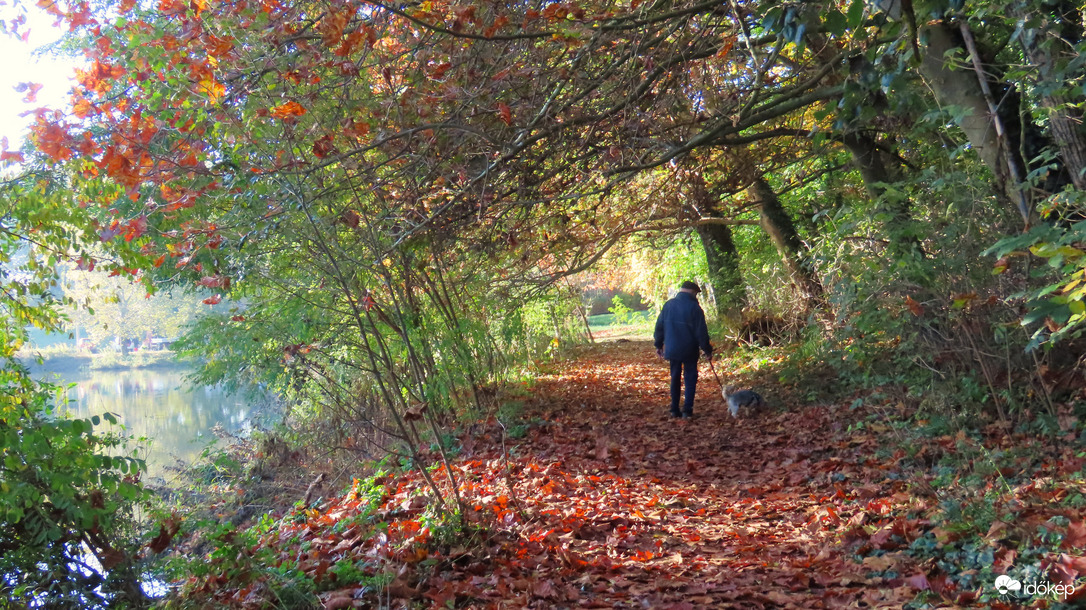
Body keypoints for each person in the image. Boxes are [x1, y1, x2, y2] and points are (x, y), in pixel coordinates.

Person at [653, 281, 713, 419]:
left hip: (672, 349)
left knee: (675, 377)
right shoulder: (695, 308)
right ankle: (687, 410)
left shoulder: (668, 305)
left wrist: (658, 344)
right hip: (689, 350)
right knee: (690, 378)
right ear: (692, 292)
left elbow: (659, 327)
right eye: (696, 294)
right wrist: (707, 350)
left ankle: (674, 409)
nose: (696, 297)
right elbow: (701, 332)